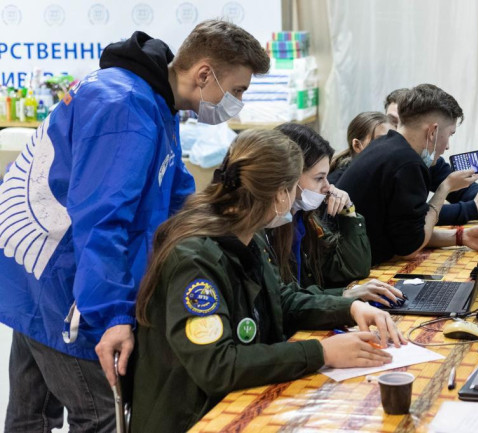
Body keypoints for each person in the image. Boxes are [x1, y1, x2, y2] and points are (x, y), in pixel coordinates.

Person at [0, 20, 269, 431]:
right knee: (100, 413)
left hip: (45, 277)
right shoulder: (124, 108)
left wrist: (226, 227)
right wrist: (112, 317)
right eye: (236, 91)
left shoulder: (156, 102)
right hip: (65, 279)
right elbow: (103, 220)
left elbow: (174, 187)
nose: (237, 103)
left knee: (32, 411)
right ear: (203, 74)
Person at [131, 129, 405, 432]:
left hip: (233, 400)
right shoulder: (193, 259)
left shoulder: (249, 234)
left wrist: (350, 308)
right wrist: (321, 352)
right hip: (192, 417)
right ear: (280, 194)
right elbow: (216, 365)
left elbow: (281, 299)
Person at [338, 84, 478, 265]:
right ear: (432, 131)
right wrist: (444, 188)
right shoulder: (408, 164)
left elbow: (407, 233)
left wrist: (460, 236)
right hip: (353, 271)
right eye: (450, 134)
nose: (447, 146)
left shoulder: (385, 146)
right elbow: (410, 249)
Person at [270, 123, 403, 307]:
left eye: (326, 177)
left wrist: (349, 213)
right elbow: (285, 302)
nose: (328, 187)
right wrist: (345, 296)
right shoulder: (266, 228)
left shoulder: (304, 218)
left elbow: (353, 268)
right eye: (319, 178)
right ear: (289, 176)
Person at [385, 87, 478, 225]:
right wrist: (472, 209)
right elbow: (413, 219)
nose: (399, 129)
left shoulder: (425, 159)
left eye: (403, 122)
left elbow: (457, 187)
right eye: (394, 122)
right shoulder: (394, 163)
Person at [328, 111, 395, 185]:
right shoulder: (337, 185)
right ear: (357, 145)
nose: (390, 146)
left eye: (394, 139)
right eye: (381, 140)